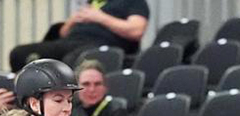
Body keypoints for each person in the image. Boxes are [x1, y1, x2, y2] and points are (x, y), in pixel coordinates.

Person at [9, 0, 150, 72]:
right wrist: (72, 21)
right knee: (19, 53)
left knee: (70, 60)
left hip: (100, 46)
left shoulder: (132, 1)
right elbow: (63, 34)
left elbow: (136, 30)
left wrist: (100, 17)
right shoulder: (91, 4)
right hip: (70, 42)